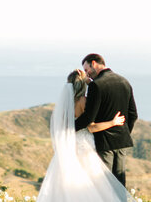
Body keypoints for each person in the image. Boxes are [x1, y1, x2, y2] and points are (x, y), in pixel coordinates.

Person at [37, 69, 135, 202]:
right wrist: (113, 122)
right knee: (92, 183)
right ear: (83, 84)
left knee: (68, 183)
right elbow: (92, 127)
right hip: (84, 147)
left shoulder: (66, 103)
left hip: (70, 146)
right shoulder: (83, 101)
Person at [75, 53, 138, 186]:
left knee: (105, 184)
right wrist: (123, 132)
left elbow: (88, 118)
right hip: (122, 140)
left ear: (94, 63)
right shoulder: (124, 81)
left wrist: (70, 126)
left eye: (87, 70)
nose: (87, 74)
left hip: (104, 141)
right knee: (120, 184)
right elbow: (133, 115)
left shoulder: (96, 86)